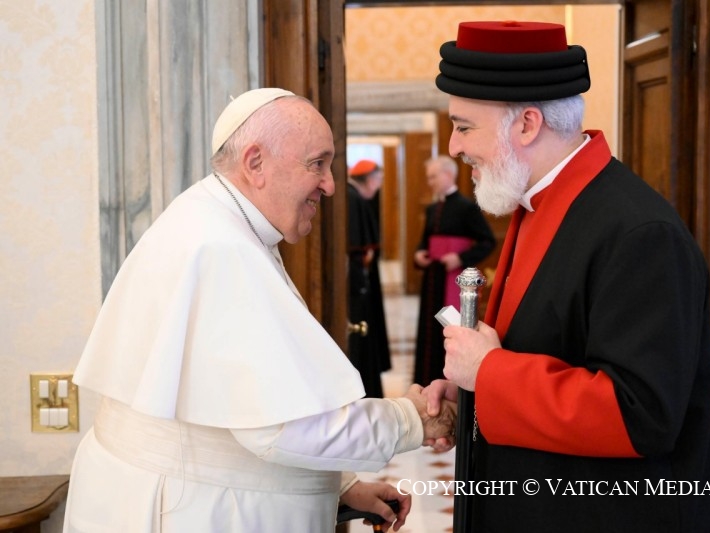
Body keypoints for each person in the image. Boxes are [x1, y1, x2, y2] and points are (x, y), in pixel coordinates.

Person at [63, 88, 456, 533]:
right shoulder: (221, 247)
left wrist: (343, 486)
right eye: (318, 164)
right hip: (184, 508)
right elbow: (281, 428)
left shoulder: (219, 223)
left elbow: (246, 404)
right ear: (255, 163)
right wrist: (411, 418)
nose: (329, 184)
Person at [423, 21, 710, 532]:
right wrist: (471, 391)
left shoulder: (639, 232)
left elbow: (642, 414)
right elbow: (540, 348)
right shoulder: (538, 203)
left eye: (464, 126)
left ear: (526, 124)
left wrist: (490, 375)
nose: (454, 146)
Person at [412, 155, 495, 386]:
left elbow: (487, 241)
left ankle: (448, 382)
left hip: (452, 279)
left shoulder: (468, 207)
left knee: (447, 329)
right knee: (429, 330)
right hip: (432, 278)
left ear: (449, 174)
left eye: (433, 177)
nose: (430, 182)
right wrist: (420, 254)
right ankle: (426, 381)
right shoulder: (432, 209)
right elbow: (425, 241)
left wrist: (459, 257)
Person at [346, 159, 392, 398]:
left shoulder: (354, 196)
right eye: (380, 180)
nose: (380, 185)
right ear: (371, 179)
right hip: (358, 287)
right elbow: (357, 249)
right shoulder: (352, 198)